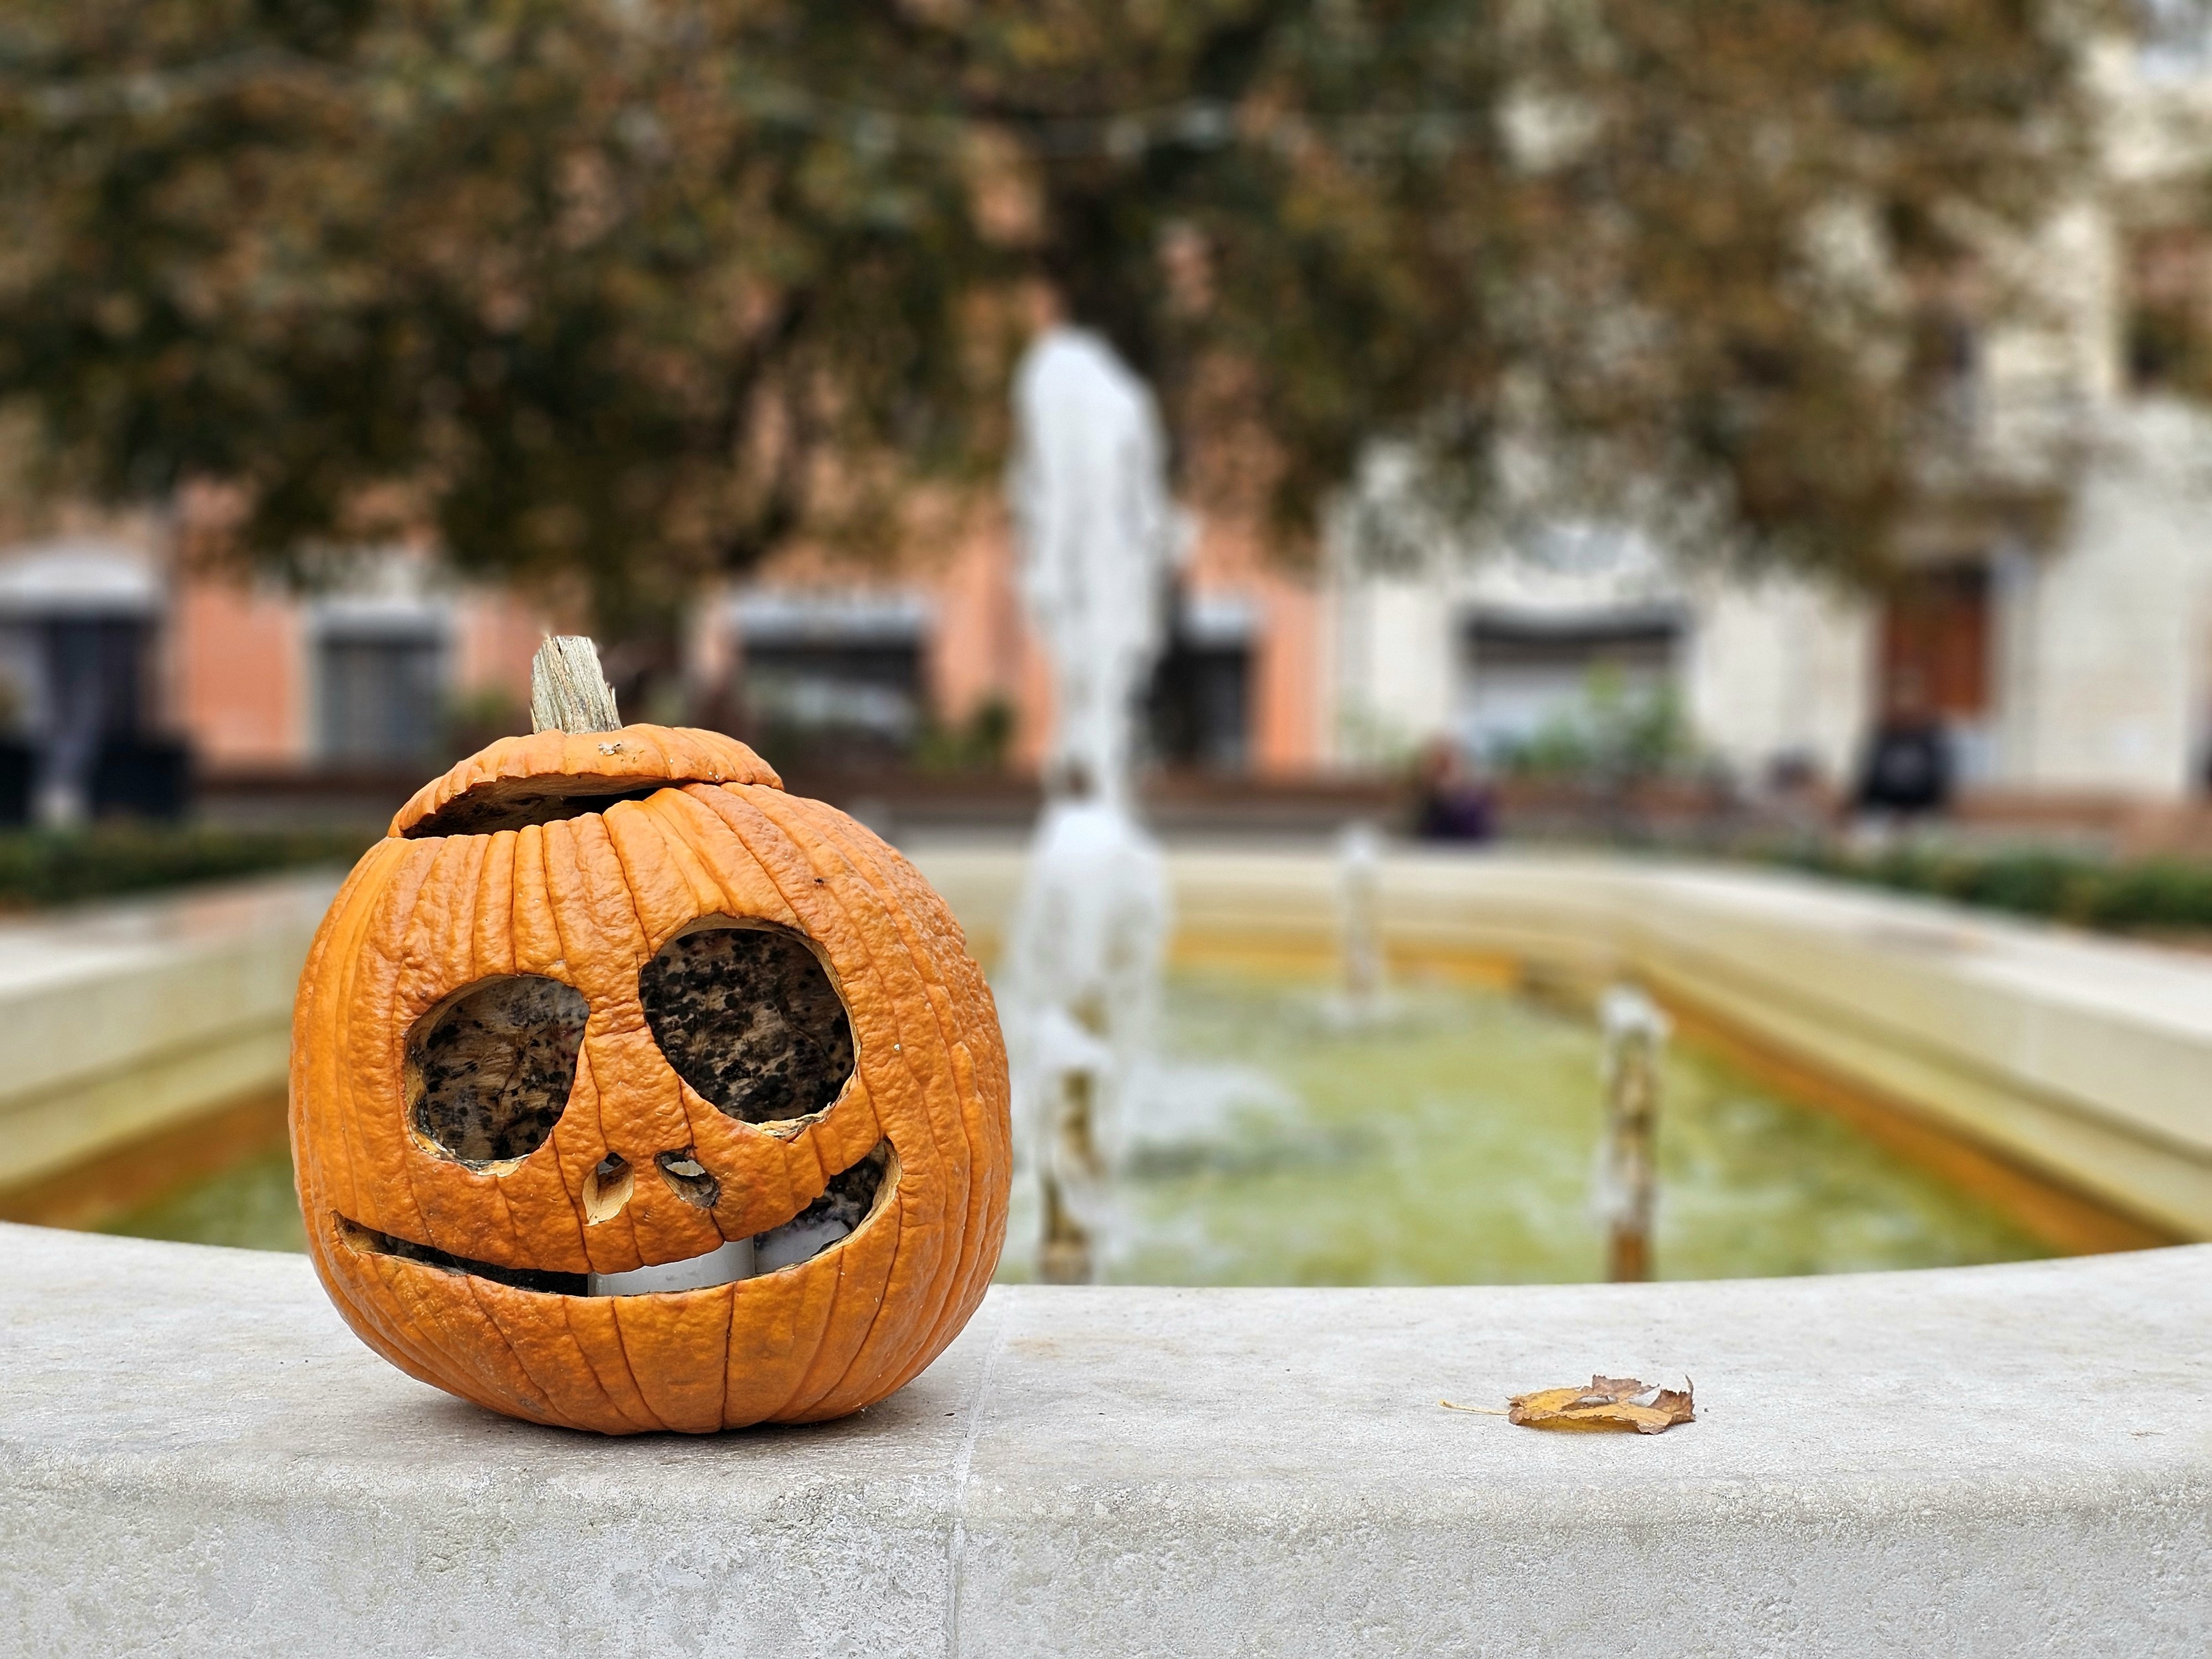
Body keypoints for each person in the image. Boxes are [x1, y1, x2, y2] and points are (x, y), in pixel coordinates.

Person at [1412, 736, 1495, 841]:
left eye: (1445, 766)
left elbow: (1475, 836)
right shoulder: (1425, 801)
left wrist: (1451, 795)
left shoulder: (1475, 801)